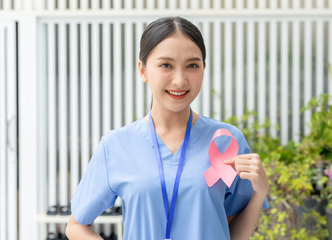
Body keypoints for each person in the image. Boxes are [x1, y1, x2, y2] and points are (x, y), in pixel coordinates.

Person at [66, 16, 269, 240]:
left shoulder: (226, 141)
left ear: (203, 68)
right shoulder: (116, 146)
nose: (179, 81)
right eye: (166, 65)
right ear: (142, 70)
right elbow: (76, 225)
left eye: (192, 65)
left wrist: (260, 193)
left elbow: (234, 236)